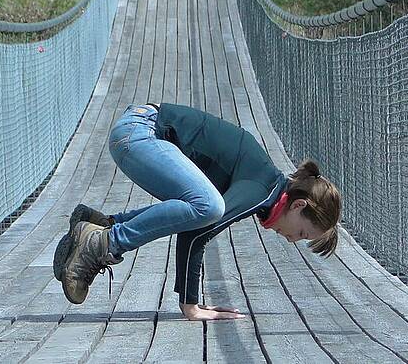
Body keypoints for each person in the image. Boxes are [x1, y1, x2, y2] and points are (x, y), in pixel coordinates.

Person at [53, 103, 342, 321]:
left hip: (135, 129)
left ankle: (101, 225)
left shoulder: (266, 184)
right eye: (302, 233)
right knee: (209, 207)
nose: (292, 240)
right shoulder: (262, 190)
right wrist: (191, 304)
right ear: (298, 205)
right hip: (140, 132)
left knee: (196, 207)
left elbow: (191, 225)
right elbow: (199, 234)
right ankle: (101, 243)